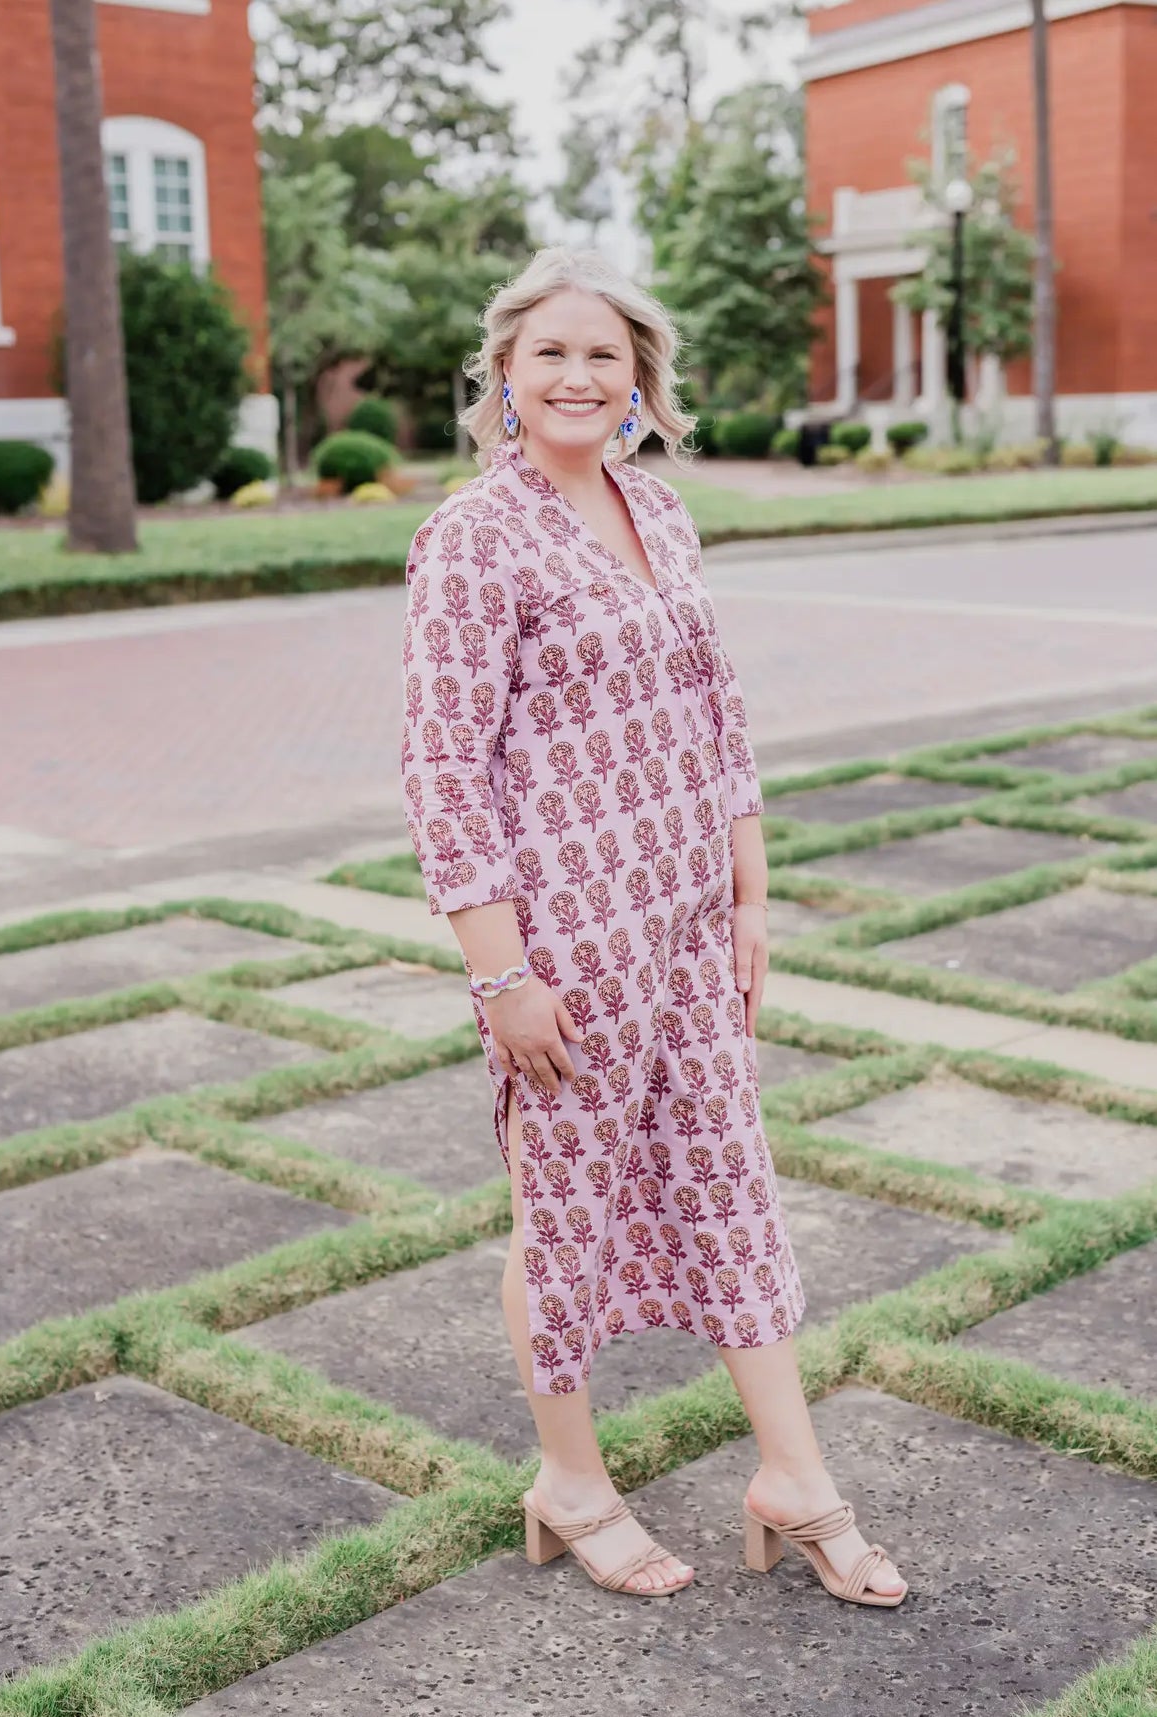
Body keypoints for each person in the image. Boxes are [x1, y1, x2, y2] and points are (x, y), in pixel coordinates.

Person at [400, 247, 907, 1606]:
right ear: (505, 372)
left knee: (734, 1181)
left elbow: (717, 710)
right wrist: (499, 972)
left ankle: (795, 1476)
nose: (577, 376)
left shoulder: (661, 509)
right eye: (551, 353)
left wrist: (750, 891)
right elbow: (444, 768)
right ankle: (571, 1480)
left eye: (603, 357)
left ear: (639, 383)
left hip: (690, 923)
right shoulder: (474, 533)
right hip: (566, 939)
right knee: (561, 1206)